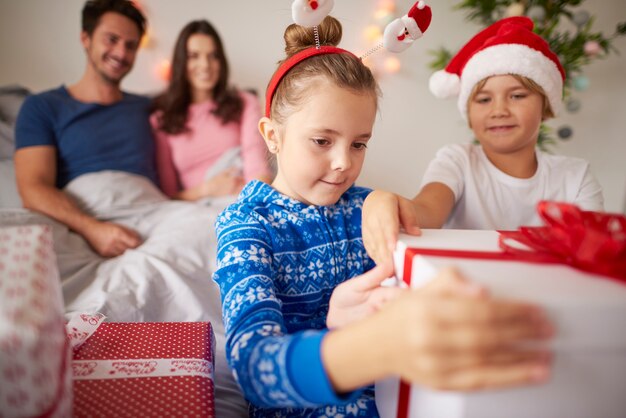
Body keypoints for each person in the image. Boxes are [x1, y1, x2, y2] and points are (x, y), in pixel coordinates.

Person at [213, 15, 553, 417]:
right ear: (272, 135)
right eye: (322, 141)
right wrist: (373, 345)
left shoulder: (367, 208)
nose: (343, 163)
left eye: (359, 144)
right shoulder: (246, 225)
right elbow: (254, 367)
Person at [362, 16, 604, 265]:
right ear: (468, 111)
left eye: (517, 95)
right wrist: (386, 202)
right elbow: (426, 211)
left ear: (546, 105)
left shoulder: (576, 177)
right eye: (484, 100)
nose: (499, 110)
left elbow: (590, 250)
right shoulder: (457, 161)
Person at [14, 0, 152, 258]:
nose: (121, 53)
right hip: (83, 219)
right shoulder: (43, 106)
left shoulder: (148, 107)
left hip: (153, 214)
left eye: (131, 45)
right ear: (85, 38)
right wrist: (93, 229)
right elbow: (33, 187)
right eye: (111, 39)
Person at [150, 20, 272, 201]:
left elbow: (257, 168)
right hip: (196, 208)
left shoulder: (245, 102)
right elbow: (169, 196)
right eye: (194, 56)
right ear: (181, 62)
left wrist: (252, 206)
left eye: (213, 55)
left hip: (242, 199)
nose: (205, 64)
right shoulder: (161, 120)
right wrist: (208, 189)